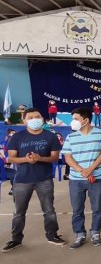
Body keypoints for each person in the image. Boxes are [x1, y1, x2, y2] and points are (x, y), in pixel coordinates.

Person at [1, 108, 66, 253]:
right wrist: (26, 159)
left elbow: (55, 157)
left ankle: (52, 235)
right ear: (24, 120)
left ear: (42, 119)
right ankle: (16, 239)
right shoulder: (16, 137)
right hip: (22, 181)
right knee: (19, 212)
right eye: (31, 117)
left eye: (38, 116)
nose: (35, 119)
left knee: (49, 210)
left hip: (44, 180)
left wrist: (40, 158)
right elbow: (11, 158)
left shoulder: (51, 136)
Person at [62, 107, 101, 248]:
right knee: (77, 209)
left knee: (97, 208)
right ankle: (80, 234)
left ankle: (95, 232)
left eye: (76, 119)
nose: (73, 122)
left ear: (86, 120)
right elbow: (67, 157)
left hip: (96, 179)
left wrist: (90, 169)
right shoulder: (71, 137)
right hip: (76, 180)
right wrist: (82, 170)